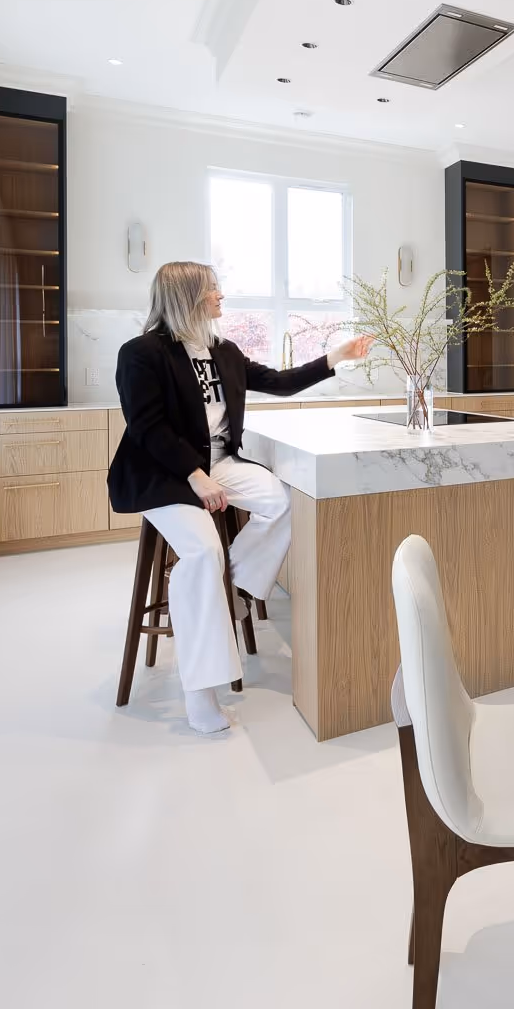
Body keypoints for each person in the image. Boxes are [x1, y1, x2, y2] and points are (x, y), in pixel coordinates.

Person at [109, 261, 373, 733]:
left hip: (219, 465)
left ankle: (233, 589)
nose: (221, 297)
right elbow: (148, 428)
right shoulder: (141, 353)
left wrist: (336, 358)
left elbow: (279, 382)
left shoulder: (223, 352)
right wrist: (194, 475)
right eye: (213, 290)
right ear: (189, 297)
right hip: (164, 474)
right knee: (203, 550)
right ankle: (200, 695)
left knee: (280, 504)